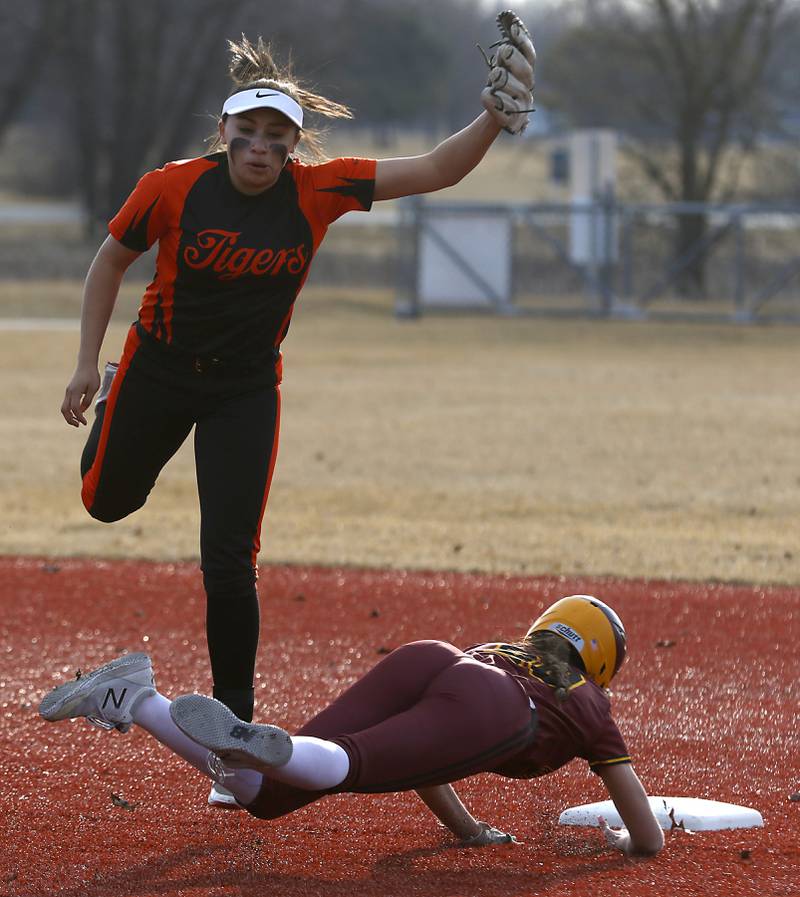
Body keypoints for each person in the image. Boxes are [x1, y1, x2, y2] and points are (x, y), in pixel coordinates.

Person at [57, 19, 537, 808]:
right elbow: (111, 258)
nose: (259, 147)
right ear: (223, 134)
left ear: (293, 146)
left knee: (231, 560)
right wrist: (87, 363)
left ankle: (233, 739)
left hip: (246, 385)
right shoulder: (172, 184)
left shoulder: (318, 190)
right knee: (105, 503)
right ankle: (113, 397)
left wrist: (491, 117)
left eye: (275, 136)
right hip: (158, 368)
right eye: (246, 132)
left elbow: (437, 169)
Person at [40, 594, 665, 855]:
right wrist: (629, 842)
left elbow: (429, 761)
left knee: (272, 794)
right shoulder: (588, 702)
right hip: (500, 708)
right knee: (347, 765)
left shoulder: (502, 648)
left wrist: (468, 829)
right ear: (601, 658)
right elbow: (647, 832)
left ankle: (138, 698)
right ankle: (273, 750)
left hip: (438, 656)